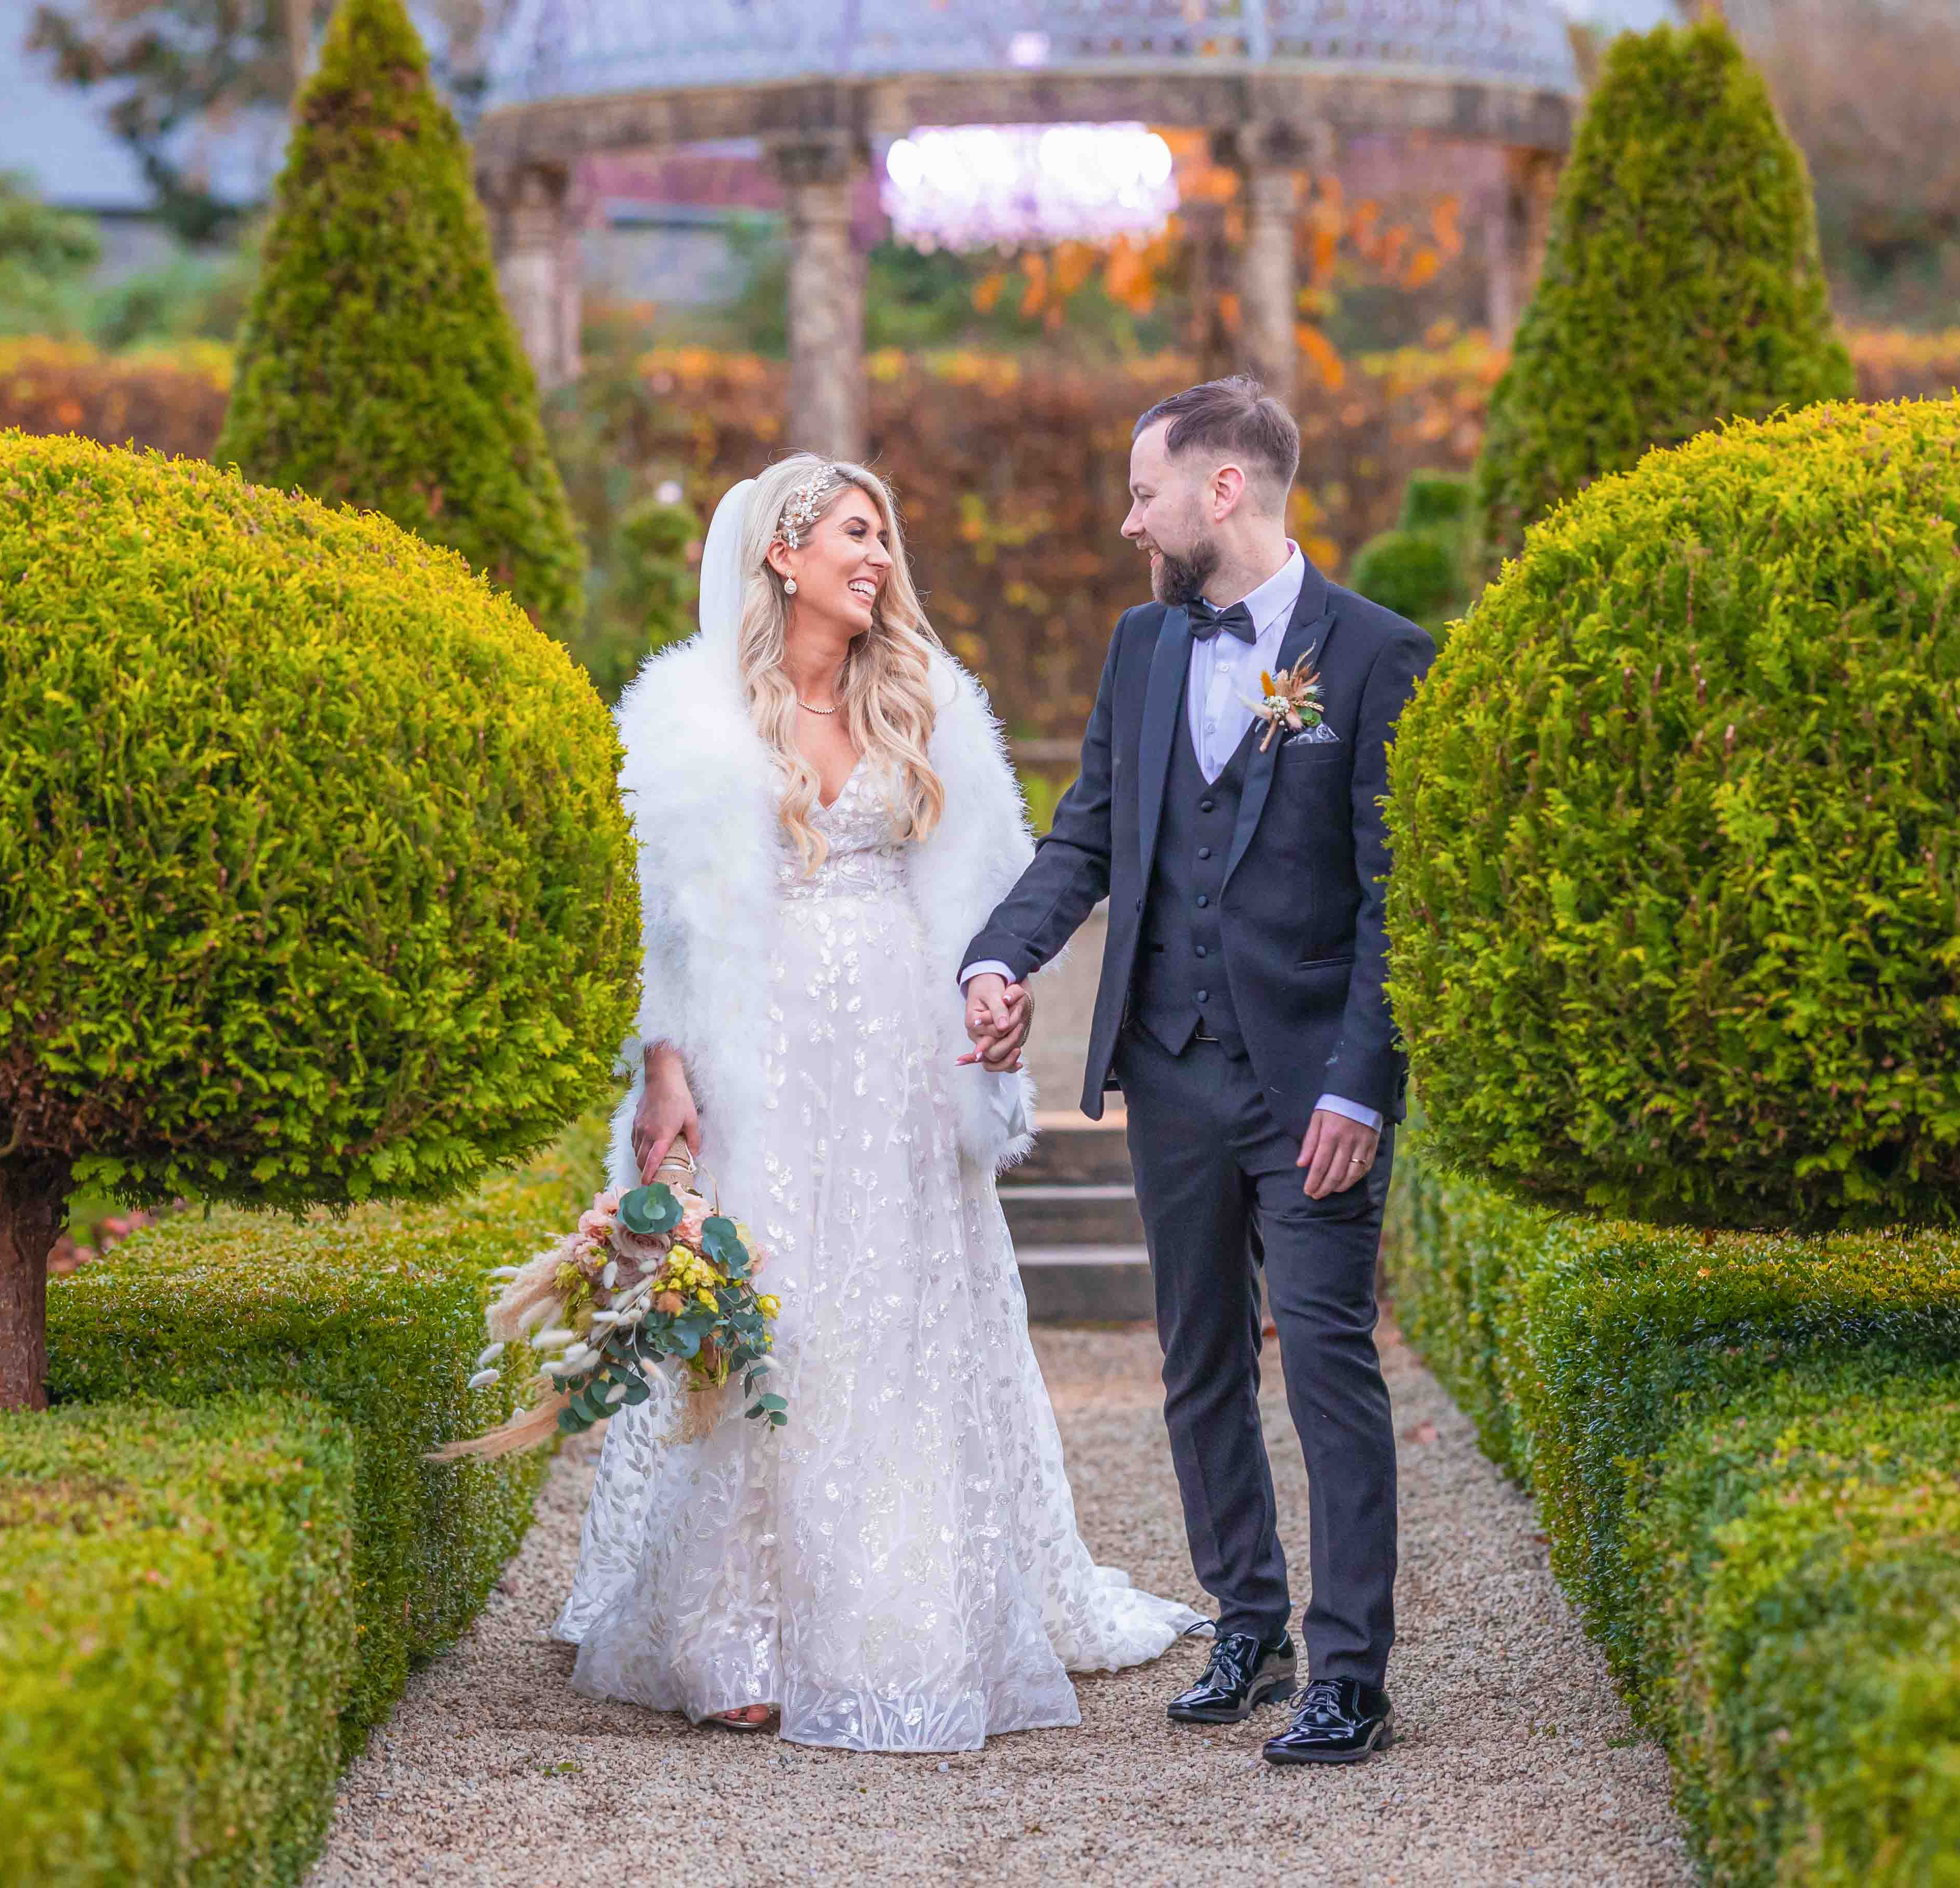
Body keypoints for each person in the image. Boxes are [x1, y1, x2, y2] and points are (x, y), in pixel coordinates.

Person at [551, 452, 1203, 1751]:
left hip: (905, 1051)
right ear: (783, 552)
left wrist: (998, 999)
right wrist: (666, 1066)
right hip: (762, 1050)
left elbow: (993, 886)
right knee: (774, 1306)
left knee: (901, 1308)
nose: (880, 559)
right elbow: (659, 917)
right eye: (857, 533)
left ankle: (908, 1617)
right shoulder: (690, 717)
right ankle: (735, 1632)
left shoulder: (924, 701)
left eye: (885, 538)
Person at [960, 378, 1436, 1766]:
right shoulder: (1143, 645)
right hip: (1171, 1071)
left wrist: (1360, 1086)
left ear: (1222, 490)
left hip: (1312, 1089)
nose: (1130, 524)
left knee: (1329, 1364)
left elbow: (1396, 897)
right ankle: (1250, 1621)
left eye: (1144, 494)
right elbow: (1087, 834)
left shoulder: (1378, 653)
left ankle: (1350, 1674)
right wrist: (998, 958)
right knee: (1199, 1358)